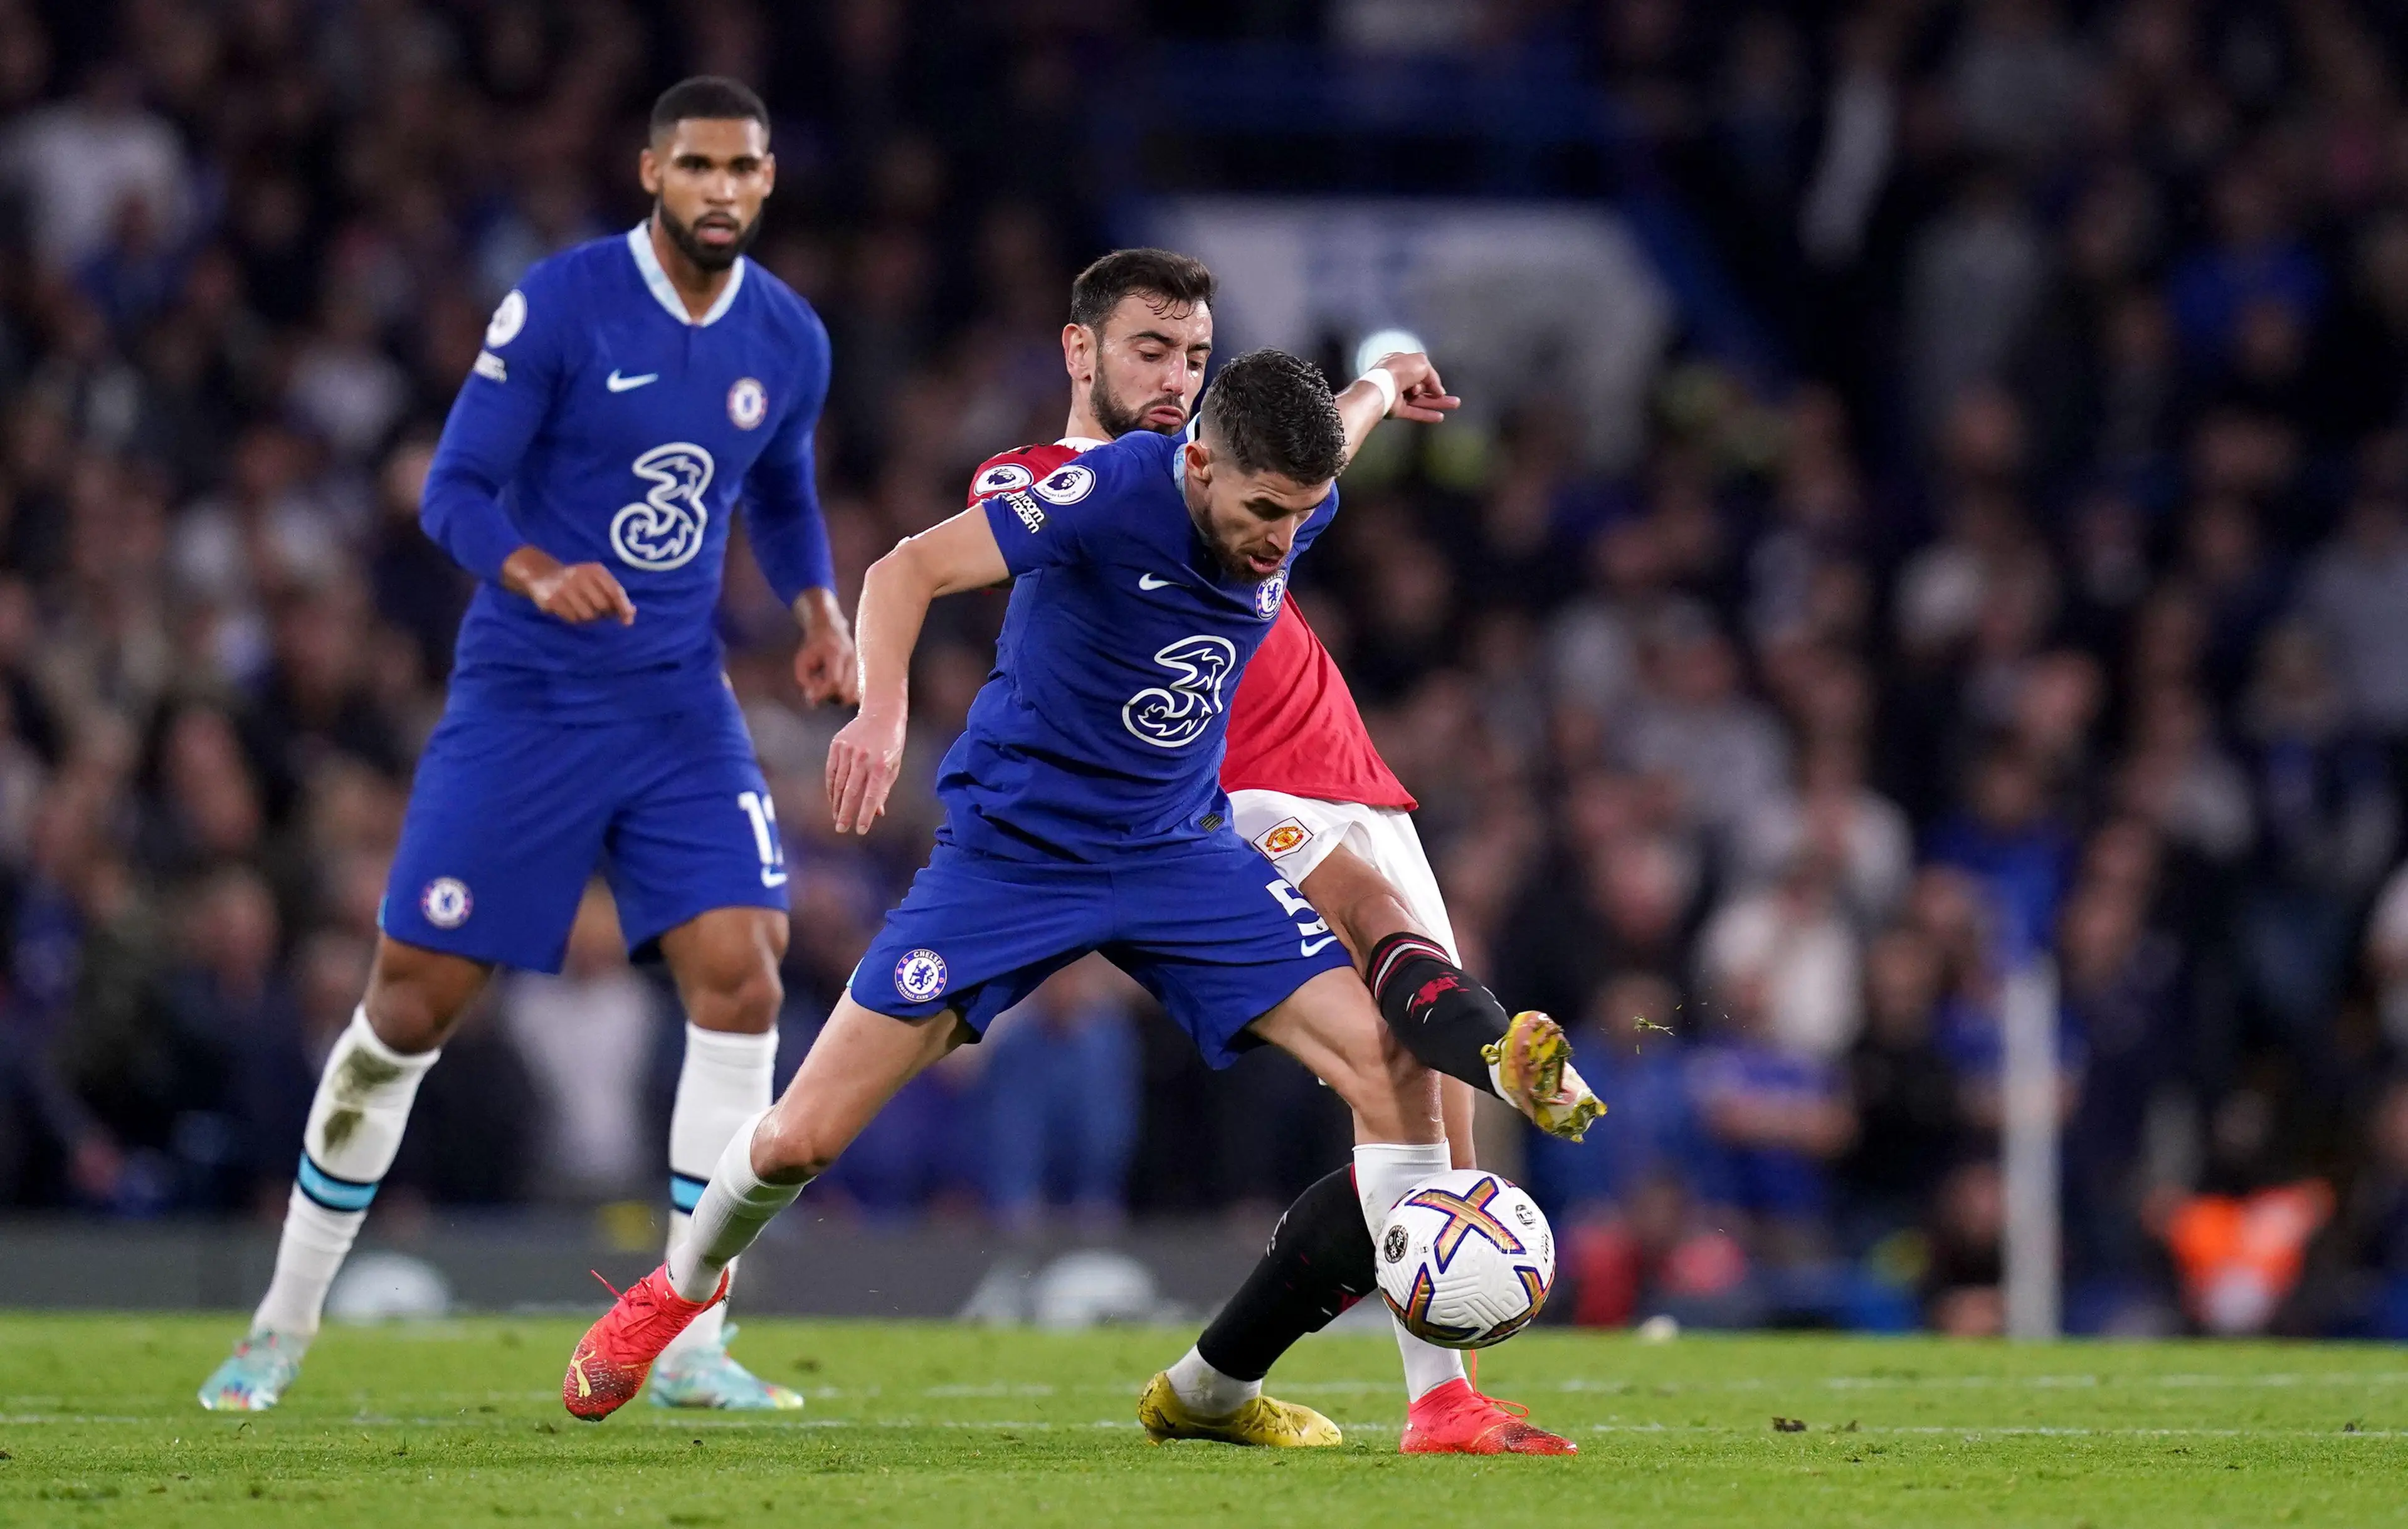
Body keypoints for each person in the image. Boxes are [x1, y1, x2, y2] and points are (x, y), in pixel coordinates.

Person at [561, 351, 1552, 1453]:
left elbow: (1347, 425)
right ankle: (675, 1290)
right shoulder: (1115, 493)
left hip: (1179, 853)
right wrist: (882, 713)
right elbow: (902, 572)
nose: (1281, 538)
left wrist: (1379, 379)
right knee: (800, 1137)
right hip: (1017, 859)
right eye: (1264, 509)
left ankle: (1442, 1402)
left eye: (1304, 514)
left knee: (1393, 1059)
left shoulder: (1292, 493)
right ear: (1201, 462)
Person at [198, 77, 857, 1412]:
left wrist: (818, 605)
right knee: (408, 1006)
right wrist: (537, 568)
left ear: (769, 180)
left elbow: (779, 489)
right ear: (650, 172)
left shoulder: (789, 337)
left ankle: (690, 1338)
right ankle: (281, 1319)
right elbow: (451, 491)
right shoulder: (560, 305)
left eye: (743, 167)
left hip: (676, 704)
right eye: (697, 166)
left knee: (744, 974)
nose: (721, 189)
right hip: (528, 698)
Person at [966, 250, 1598, 1453]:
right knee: (1412, 1087)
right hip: (1245, 794)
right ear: (1081, 351)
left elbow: (1310, 451)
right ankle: (1439, 1399)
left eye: (1192, 359)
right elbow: (991, 530)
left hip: (1357, 781)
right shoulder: (1072, 491)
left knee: (1431, 1135)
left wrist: (1378, 382)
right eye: (1149, 352)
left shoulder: (1238, 478)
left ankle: (1214, 1387)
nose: (1173, 379)